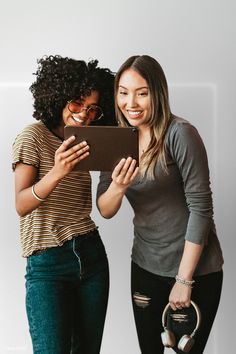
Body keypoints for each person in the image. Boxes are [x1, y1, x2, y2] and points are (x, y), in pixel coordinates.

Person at [96, 55, 224, 354]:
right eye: (123, 92)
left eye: (142, 93)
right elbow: (105, 209)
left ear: (158, 93)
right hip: (144, 265)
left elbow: (201, 208)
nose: (132, 103)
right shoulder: (116, 139)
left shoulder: (180, 134)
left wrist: (184, 279)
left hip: (195, 269)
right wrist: (119, 185)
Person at [12, 55, 116, 354]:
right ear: (58, 96)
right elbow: (21, 204)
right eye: (76, 103)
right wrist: (58, 171)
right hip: (48, 264)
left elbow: (98, 208)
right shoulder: (32, 136)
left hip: (91, 255)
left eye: (93, 108)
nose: (84, 114)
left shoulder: (85, 142)